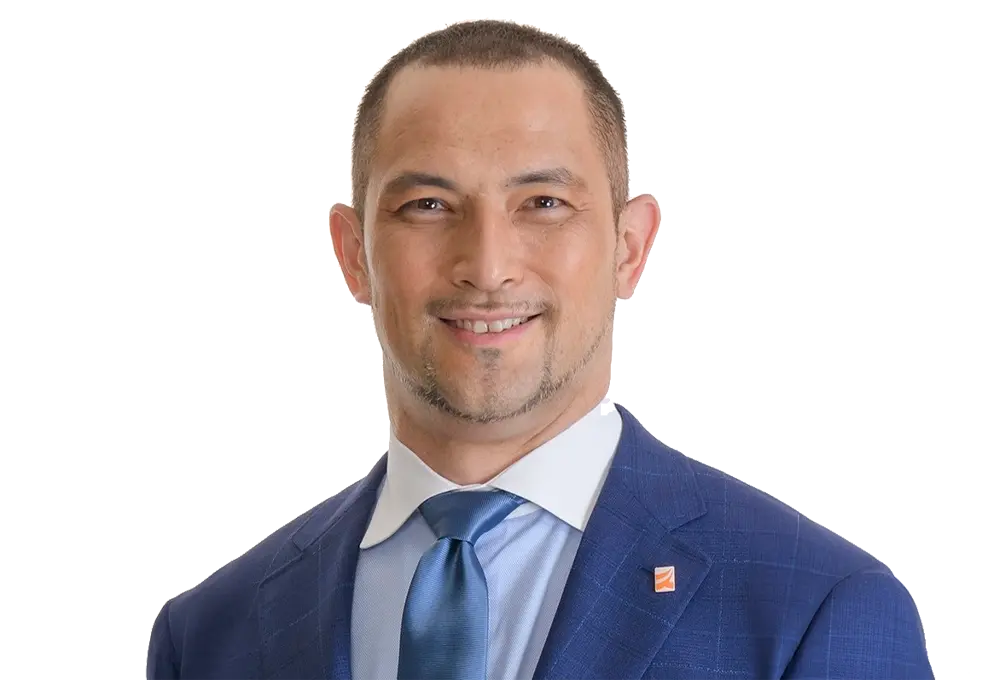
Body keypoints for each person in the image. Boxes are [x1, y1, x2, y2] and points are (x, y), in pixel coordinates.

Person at [145, 18, 935, 680]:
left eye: (544, 203)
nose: (488, 266)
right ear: (353, 254)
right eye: (428, 205)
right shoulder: (210, 635)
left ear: (630, 247)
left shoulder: (813, 610)